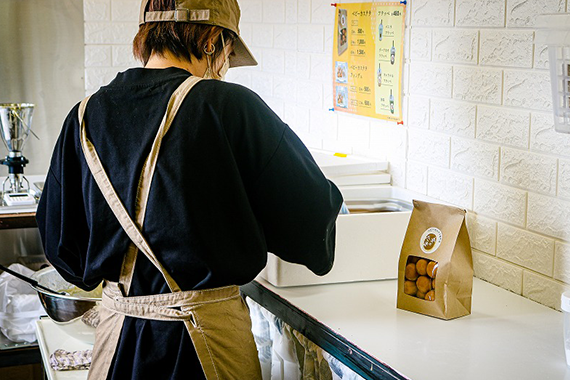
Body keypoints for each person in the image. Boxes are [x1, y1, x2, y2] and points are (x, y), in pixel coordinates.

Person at [35, 0, 343, 379]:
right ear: (214, 40)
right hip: (207, 344)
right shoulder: (230, 107)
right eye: (230, 52)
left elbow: (63, 251)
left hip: (117, 345)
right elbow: (311, 228)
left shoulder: (83, 116)